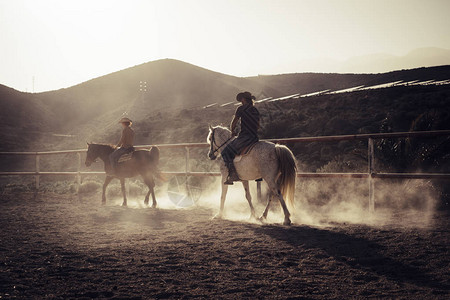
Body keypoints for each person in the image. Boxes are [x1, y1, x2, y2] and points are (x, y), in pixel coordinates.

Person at [221, 91, 260, 185]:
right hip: (254, 137)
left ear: (243, 99)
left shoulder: (241, 109)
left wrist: (233, 131)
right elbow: (258, 126)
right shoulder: (255, 110)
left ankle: (233, 175)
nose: (240, 102)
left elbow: (234, 122)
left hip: (245, 137)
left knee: (225, 152)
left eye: (241, 100)